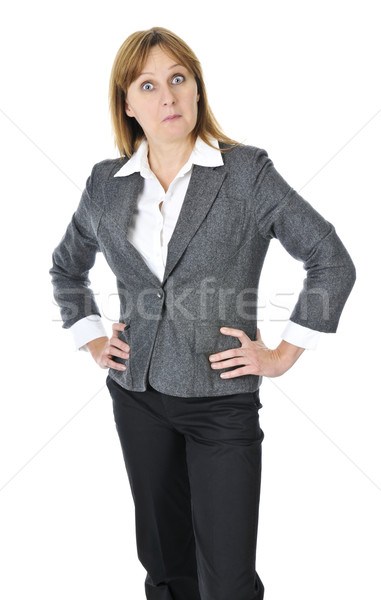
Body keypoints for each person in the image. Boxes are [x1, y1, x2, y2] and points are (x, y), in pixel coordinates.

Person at [49, 26, 356, 600]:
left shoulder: (246, 174)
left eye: (178, 79)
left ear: (196, 89)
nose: (166, 96)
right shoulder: (105, 185)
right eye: (148, 84)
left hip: (221, 403)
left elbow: (331, 260)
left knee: (230, 581)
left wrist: (283, 354)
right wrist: (91, 335)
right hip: (136, 396)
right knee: (166, 570)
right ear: (128, 103)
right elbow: (66, 267)